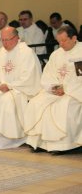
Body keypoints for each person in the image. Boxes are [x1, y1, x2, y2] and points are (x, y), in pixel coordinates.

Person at [25, 25, 82, 153]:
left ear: (74, 38)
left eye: (64, 41)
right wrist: (54, 87)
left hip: (75, 92)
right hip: (57, 90)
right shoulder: (56, 54)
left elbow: (80, 79)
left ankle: (65, 145)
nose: (61, 44)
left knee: (62, 106)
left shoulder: (81, 52)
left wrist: (66, 89)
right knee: (36, 102)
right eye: (59, 41)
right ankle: (40, 142)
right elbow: (48, 75)